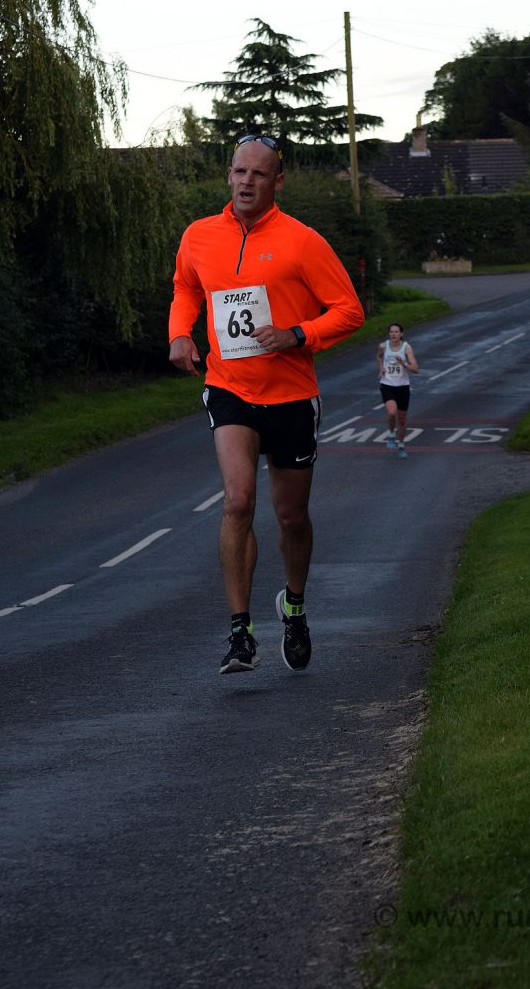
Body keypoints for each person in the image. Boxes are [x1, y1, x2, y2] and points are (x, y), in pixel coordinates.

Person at [168, 134, 364, 675]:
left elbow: (348, 311)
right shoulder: (199, 236)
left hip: (291, 395)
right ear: (227, 177)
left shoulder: (303, 242)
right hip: (229, 386)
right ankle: (239, 631)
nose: (247, 182)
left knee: (291, 516)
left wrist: (297, 334)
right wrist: (179, 333)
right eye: (239, 172)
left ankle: (294, 608)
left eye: (259, 174)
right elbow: (186, 288)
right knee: (237, 502)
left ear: (278, 181)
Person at [377, 323, 419, 458]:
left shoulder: (406, 348)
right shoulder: (383, 346)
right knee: (391, 412)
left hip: (403, 386)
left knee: (401, 419)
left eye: (396, 332)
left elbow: (416, 369)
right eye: (391, 332)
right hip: (387, 384)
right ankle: (391, 434)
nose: (393, 334)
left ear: (401, 334)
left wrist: (404, 364)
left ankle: (401, 445)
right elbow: (379, 356)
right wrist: (381, 367)